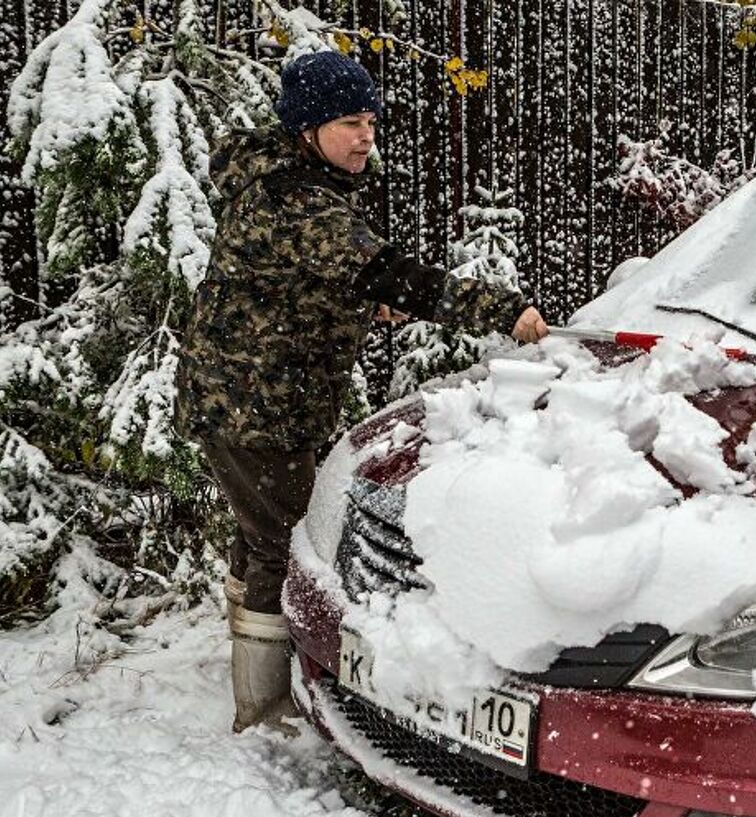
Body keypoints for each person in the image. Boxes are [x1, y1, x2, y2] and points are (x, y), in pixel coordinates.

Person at [175, 51, 549, 733]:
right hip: (256, 403)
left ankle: (247, 656)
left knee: (257, 527)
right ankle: (262, 705)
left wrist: (352, 304)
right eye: (350, 122)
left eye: (371, 121)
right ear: (308, 127)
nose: (366, 136)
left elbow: (287, 283)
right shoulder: (296, 199)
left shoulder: (284, 179)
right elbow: (395, 273)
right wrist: (504, 310)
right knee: (280, 542)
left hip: (245, 392)